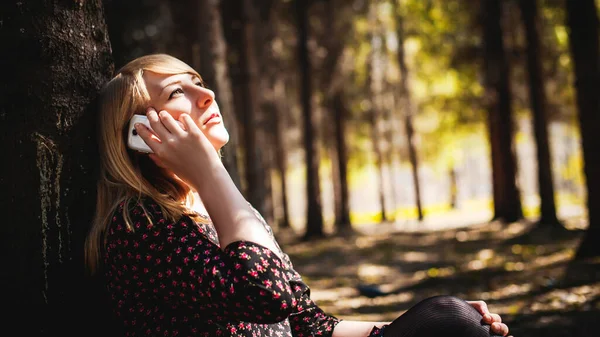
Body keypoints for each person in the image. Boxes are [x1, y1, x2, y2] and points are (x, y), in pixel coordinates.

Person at [85, 54, 512, 337]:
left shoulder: (214, 209)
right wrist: (211, 172)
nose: (207, 94)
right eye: (178, 92)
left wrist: (436, 326)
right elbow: (270, 297)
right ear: (141, 135)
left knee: (456, 319)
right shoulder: (140, 226)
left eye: (198, 81)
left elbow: (304, 322)